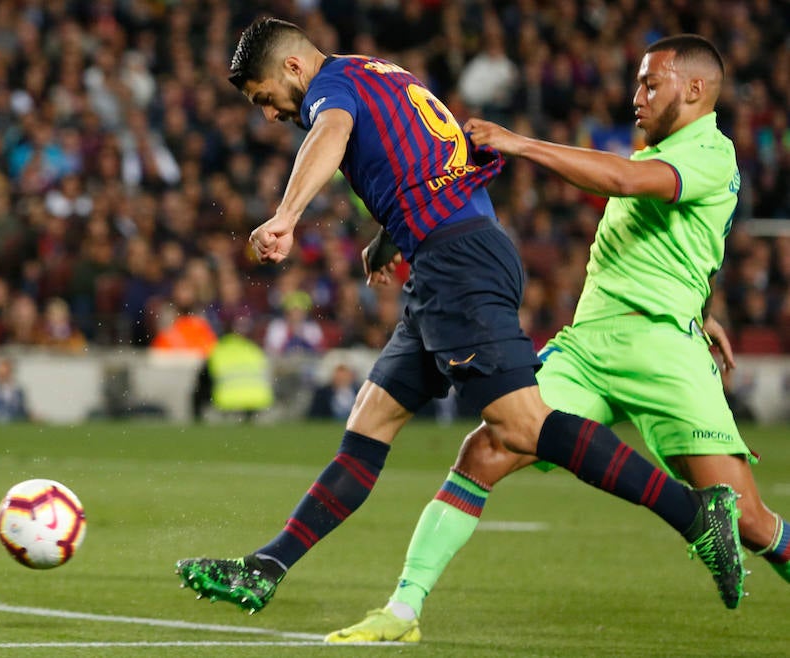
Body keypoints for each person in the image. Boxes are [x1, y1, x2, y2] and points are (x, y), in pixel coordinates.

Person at [174, 19, 744, 616]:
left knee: (522, 425)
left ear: (293, 67)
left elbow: (333, 131)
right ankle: (267, 567)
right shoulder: (374, 71)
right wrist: (394, 234)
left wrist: (287, 214)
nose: (269, 115)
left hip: (458, 263)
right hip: (445, 258)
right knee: (368, 427)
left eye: (265, 98)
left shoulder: (329, 91)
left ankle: (694, 514)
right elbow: (438, 156)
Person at [327, 34, 790, 644]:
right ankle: (403, 610)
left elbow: (624, 181)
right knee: (485, 450)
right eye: (638, 82)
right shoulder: (665, 148)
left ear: (697, 89)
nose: (637, 96)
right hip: (591, 345)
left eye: (652, 83)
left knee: (751, 521)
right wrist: (700, 307)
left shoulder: (712, 152)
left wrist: (519, 144)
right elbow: (675, 247)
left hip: (663, 354)